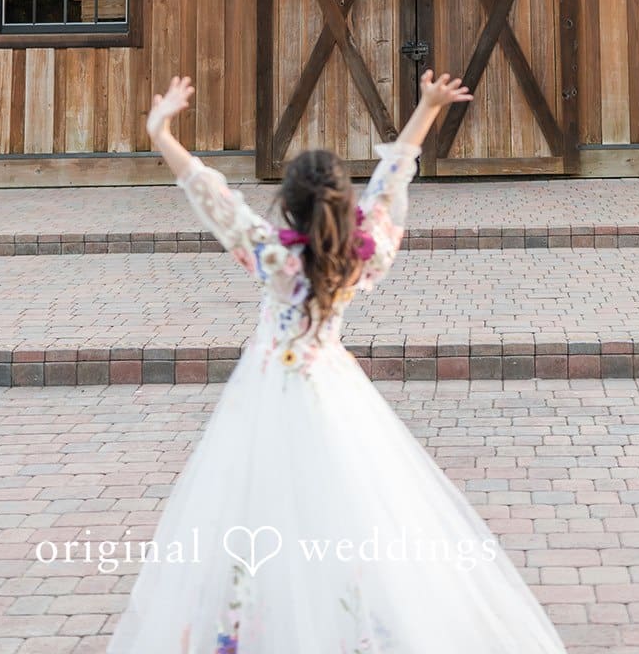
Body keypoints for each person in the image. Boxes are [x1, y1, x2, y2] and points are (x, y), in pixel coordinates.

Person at [106, 70, 569, 654]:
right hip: (334, 390)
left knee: (257, 505)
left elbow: (213, 196)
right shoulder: (358, 257)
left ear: (287, 207)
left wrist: (161, 131)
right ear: (344, 205)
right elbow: (391, 180)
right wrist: (427, 107)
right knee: (348, 506)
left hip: (268, 390)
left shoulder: (274, 257)